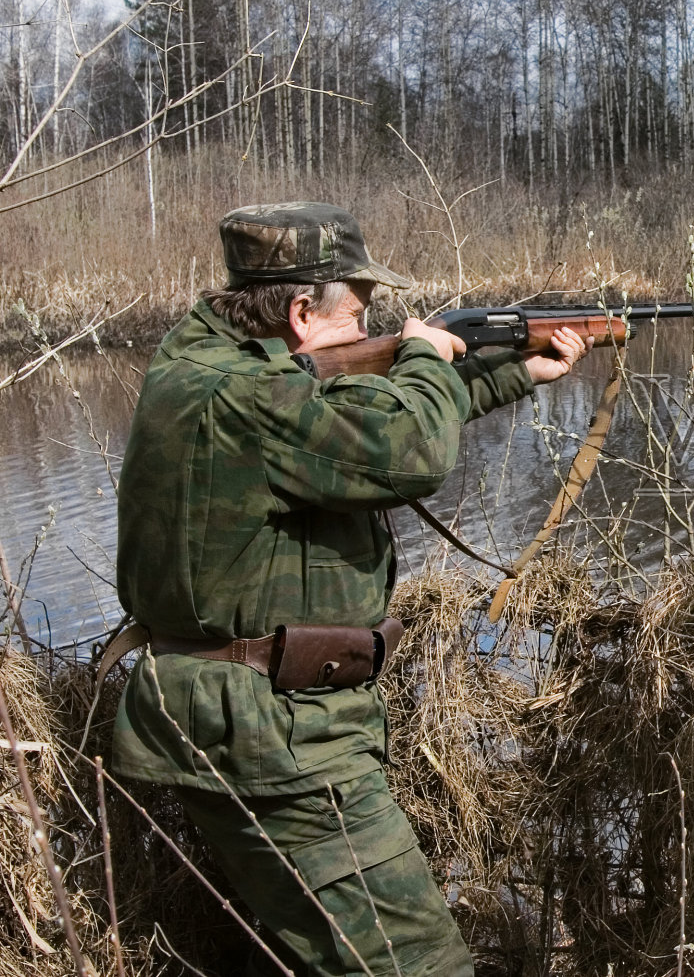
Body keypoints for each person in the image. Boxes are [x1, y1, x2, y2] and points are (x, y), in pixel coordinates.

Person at [108, 202, 590, 976]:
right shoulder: (252, 399)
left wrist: (511, 372)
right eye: (360, 315)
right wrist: (425, 354)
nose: (373, 332)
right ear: (302, 310)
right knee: (418, 965)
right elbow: (403, 448)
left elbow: (350, 421)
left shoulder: (205, 364)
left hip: (243, 720)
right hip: (279, 742)